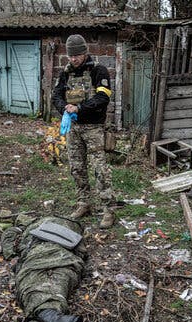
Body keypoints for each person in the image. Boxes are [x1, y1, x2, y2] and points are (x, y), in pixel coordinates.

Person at [0, 214, 86, 322]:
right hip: (67, 256)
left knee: (29, 288)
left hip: (39, 252)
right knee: (57, 286)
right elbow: (82, 250)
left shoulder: (29, 226)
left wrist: (12, 253)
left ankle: (50, 321)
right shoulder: (73, 226)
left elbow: (9, 239)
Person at [52, 34, 115, 229]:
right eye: (71, 56)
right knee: (77, 167)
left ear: (85, 52)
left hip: (93, 128)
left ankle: (108, 209)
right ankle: (84, 203)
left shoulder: (99, 70)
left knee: (99, 169)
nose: (74, 59)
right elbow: (56, 95)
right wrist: (65, 108)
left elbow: (103, 98)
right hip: (74, 128)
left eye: (77, 55)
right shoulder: (66, 73)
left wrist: (80, 108)